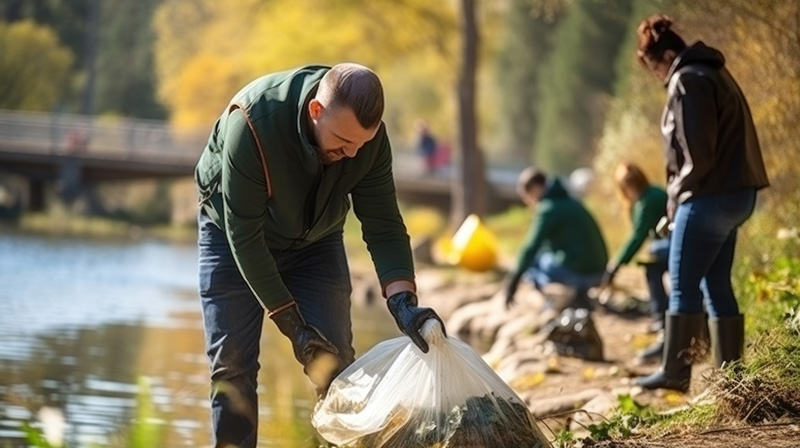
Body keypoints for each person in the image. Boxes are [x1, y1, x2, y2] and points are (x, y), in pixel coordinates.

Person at [194, 63, 445, 447]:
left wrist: (403, 303)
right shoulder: (251, 125)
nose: (352, 153)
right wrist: (295, 328)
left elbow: (383, 223)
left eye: (361, 144)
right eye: (343, 141)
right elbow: (246, 239)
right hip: (232, 236)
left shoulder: (367, 142)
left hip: (316, 240)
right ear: (316, 110)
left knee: (337, 364)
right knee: (232, 366)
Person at [633, 15, 769, 392]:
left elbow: (699, 159)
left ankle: (675, 374)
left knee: (682, 286)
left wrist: (674, 199)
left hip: (708, 198)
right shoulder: (715, 73)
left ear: (668, 56)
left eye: (655, 68)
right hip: (737, 195)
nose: (658, 77)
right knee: (716, 283)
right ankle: (731, 379)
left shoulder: (687, 80)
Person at [504, 167, 608, 309]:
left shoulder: (548, 208)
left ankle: (555, 299)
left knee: (533, 264)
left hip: (583, 275)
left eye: (526, 196)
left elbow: (530, 248)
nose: (527, 202)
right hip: (600, 271)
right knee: (542, 257)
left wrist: (512, 282)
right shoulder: (570, 201)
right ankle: (574, 293)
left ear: (535, 188)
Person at [601, 162, 670, 361]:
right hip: (677, 243)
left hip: (675, 246)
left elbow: (638, 236)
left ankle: (663, 326)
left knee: (652, 267)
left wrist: (616, 264)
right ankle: (662, 320)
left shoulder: (647, 200)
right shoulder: (653, 193)